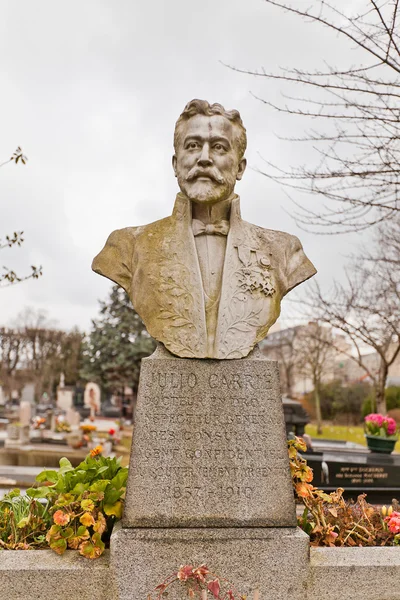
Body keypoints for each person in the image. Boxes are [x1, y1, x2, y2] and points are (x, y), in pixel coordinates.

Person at [92, 99, 316, 359]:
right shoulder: (126, 246)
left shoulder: (284, 251)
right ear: (176, 164)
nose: (204, 159)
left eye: (219, 147)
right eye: (193, 146)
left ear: (240, 167)